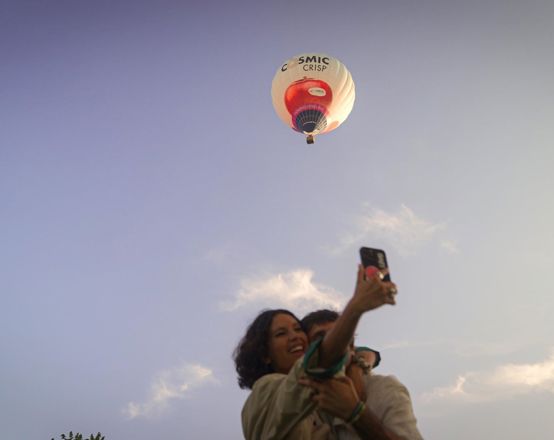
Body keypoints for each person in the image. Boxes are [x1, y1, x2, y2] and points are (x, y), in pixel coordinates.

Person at [233, 265, 397, 440]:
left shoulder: (319, 397)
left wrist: (357, 363)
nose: (295, 337)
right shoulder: (266, 390)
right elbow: (319, 361)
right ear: (265, 354)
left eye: (297, 329)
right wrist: (356, 308)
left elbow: (346, 355)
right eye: (281, 334)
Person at [299, 310, 423, 440]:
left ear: (352, 347)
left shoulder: (385, 389)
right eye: (320, 339)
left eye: (340, 337)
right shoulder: (299, 398)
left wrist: (356, 413)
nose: (333, 344)